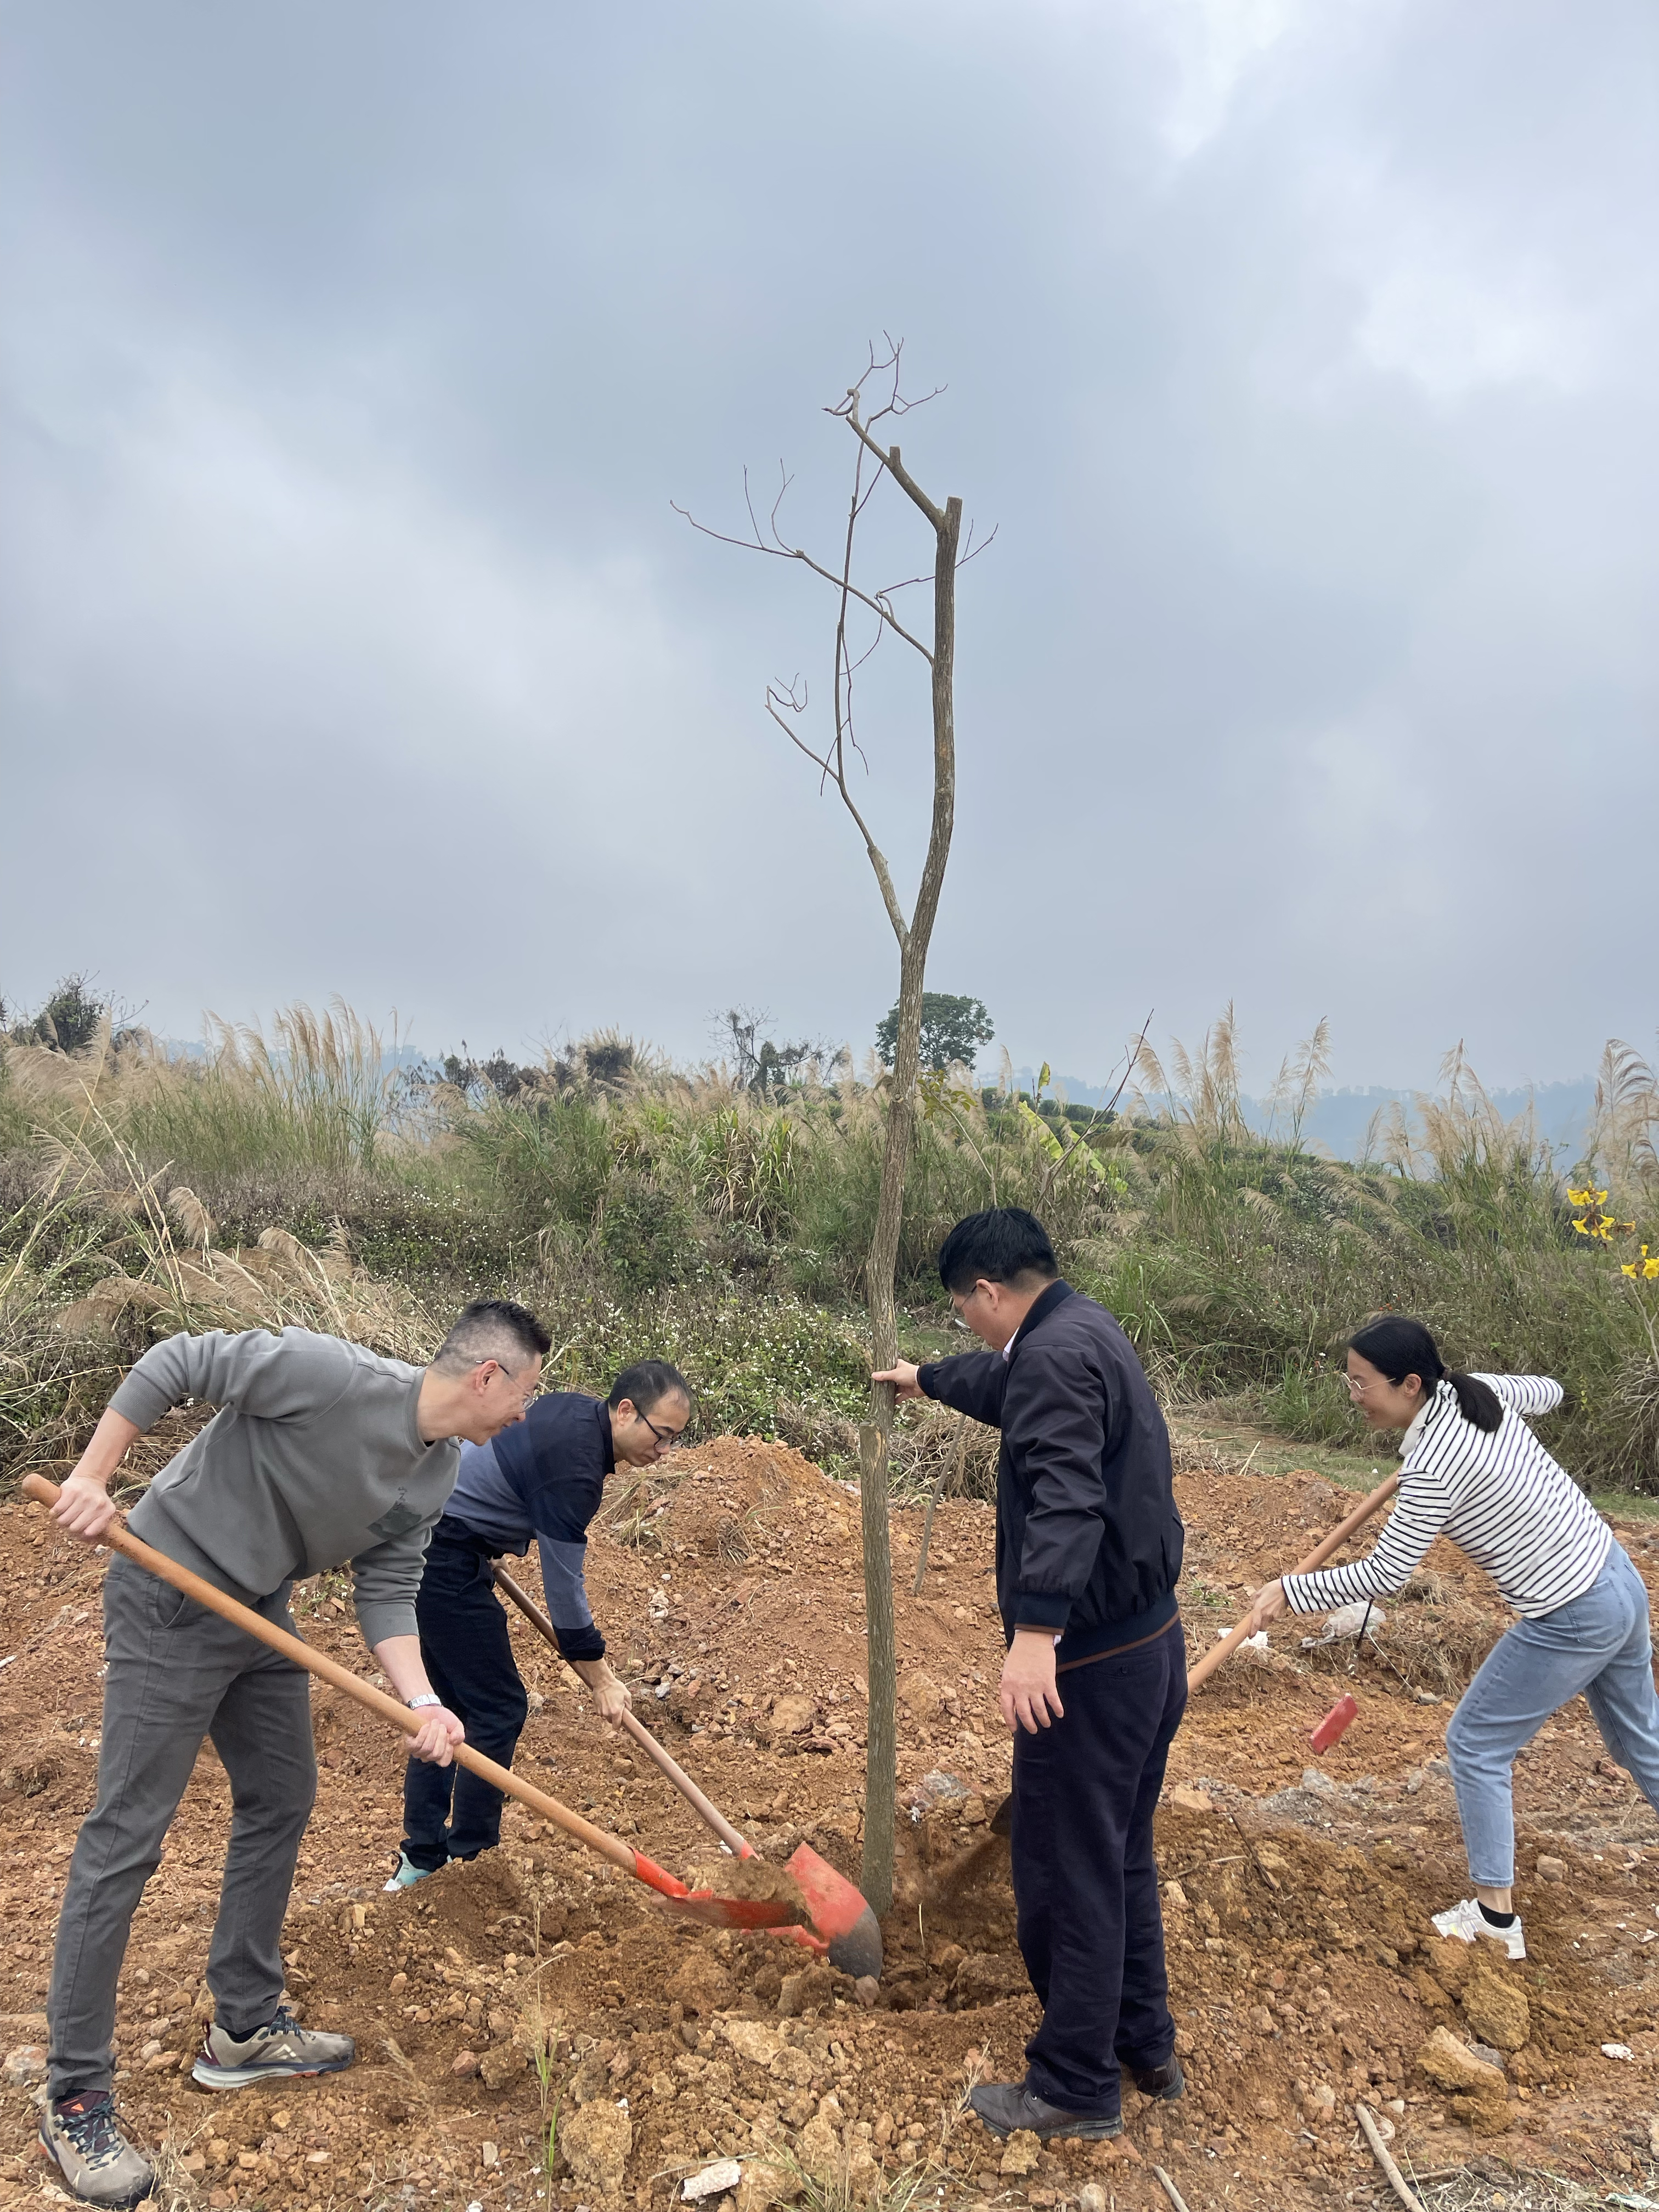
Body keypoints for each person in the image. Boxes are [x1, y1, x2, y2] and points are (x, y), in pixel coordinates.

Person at [38, 1297, 551, 2209]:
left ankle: (242, 2026)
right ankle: (75, 2090)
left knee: (281, 1794)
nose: (524, 1414)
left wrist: (423, 1701)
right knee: (127, 1838)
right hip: (169, 1588)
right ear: (487, 1377)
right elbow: (175, 1361)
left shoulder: (436, 1475)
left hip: (260, 1611)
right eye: (526, 1393)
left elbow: (389, 1589)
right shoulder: (331, 1376)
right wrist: (93, 1475)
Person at [874, 1207, 1187, 2143]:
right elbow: (1003, 1381)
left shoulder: (1048, 1357)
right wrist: (925, 1379)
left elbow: (1064, 1493)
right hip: (1147, 1645)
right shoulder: (1076, 1329)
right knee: (1116, 1853)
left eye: (960, 1312)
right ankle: (1143, 2045)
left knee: (1061, 1867)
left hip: (1087, 1663)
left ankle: (1073, 2086)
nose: (963, 1327)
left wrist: (1035, 1633)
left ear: (988, 1291)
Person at [1244, 1314, 1659, 1961]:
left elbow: (1388, 1572)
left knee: (1475, 1743)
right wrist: (1537, 1396)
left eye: (1361, 1385)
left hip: (1571, 1612)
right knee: (1642, 1744)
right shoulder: (1477, 1389)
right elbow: (1547, 1391)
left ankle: (1496, 1924)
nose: (1353, 1396)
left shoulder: (1434, 1465)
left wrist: (1288, 1592)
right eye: (1347, 1381)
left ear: (1411, 1384)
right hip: (1615, 1581)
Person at [387, 1358, 693, 1888]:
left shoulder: (576, 1411)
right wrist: (602, 1678)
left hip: (441, 1532)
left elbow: (512, 1467)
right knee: (497, 1707)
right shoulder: (577, 1470)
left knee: (447, 1707)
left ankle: (422, 1859)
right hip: (443, 1552)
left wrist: (496, 1530)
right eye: (661, 1435)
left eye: (673, 1441)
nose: (664, 1451)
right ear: (625, 1411)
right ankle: (470, 1864)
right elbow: (564, 1590)